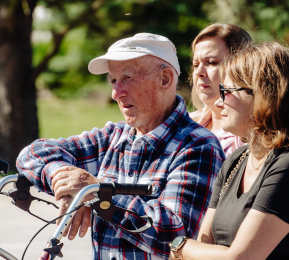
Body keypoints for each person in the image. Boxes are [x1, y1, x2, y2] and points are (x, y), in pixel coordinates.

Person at [16, 33, 225, 260]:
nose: (116, 93)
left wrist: (96, 193)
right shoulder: (113, 137)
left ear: (165, 79)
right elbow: (31, 154)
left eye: (127, 78)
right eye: (113, 80)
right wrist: (64, 180)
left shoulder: (198, 146)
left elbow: (175, 238)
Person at [169, 41, 289, 260]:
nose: (218, 103)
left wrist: (179, 245)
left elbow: (240, 258)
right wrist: (190, 249)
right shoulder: (237, 159)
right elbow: (204, 243)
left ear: (261, 94)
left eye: (226, 91)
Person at [189, 23, 252, 156]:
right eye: (195, 64)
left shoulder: (251, 137)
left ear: (240, 66)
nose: (199, 72)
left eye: (211, 62)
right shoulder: (183, 124)